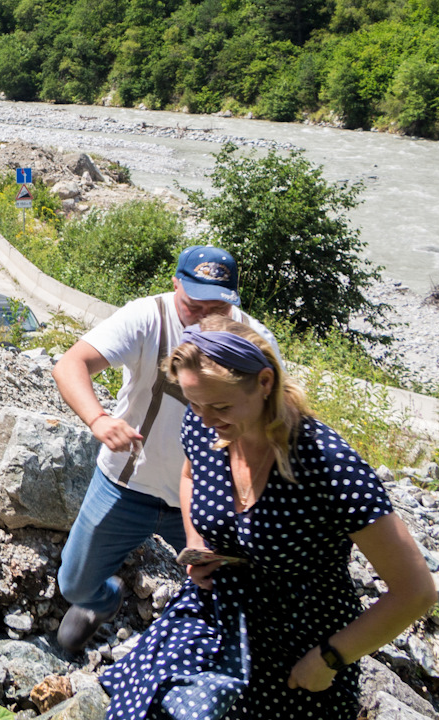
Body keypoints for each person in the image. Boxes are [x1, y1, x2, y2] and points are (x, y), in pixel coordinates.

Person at [100, 316, 435, 720]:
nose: (204, 418)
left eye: (220, 405)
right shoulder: (205, 427)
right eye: (193, 403)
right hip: (216, 616)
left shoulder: (327, 463)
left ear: (264, 383)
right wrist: (197, 541)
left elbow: (415, 592)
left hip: (299, 648)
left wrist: (329, 658)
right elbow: (190, 476)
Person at [50, 246, 278, 653]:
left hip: (208, 497)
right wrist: (99, 420)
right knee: (73, 583)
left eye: (217, 309)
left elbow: (271, 426)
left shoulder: (253, 342)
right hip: (127, 482)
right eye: (194, 306)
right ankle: (104, 601)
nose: (205, 319)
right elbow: (71, 364)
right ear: (175, 285)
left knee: (229, 590)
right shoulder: (147, 316)